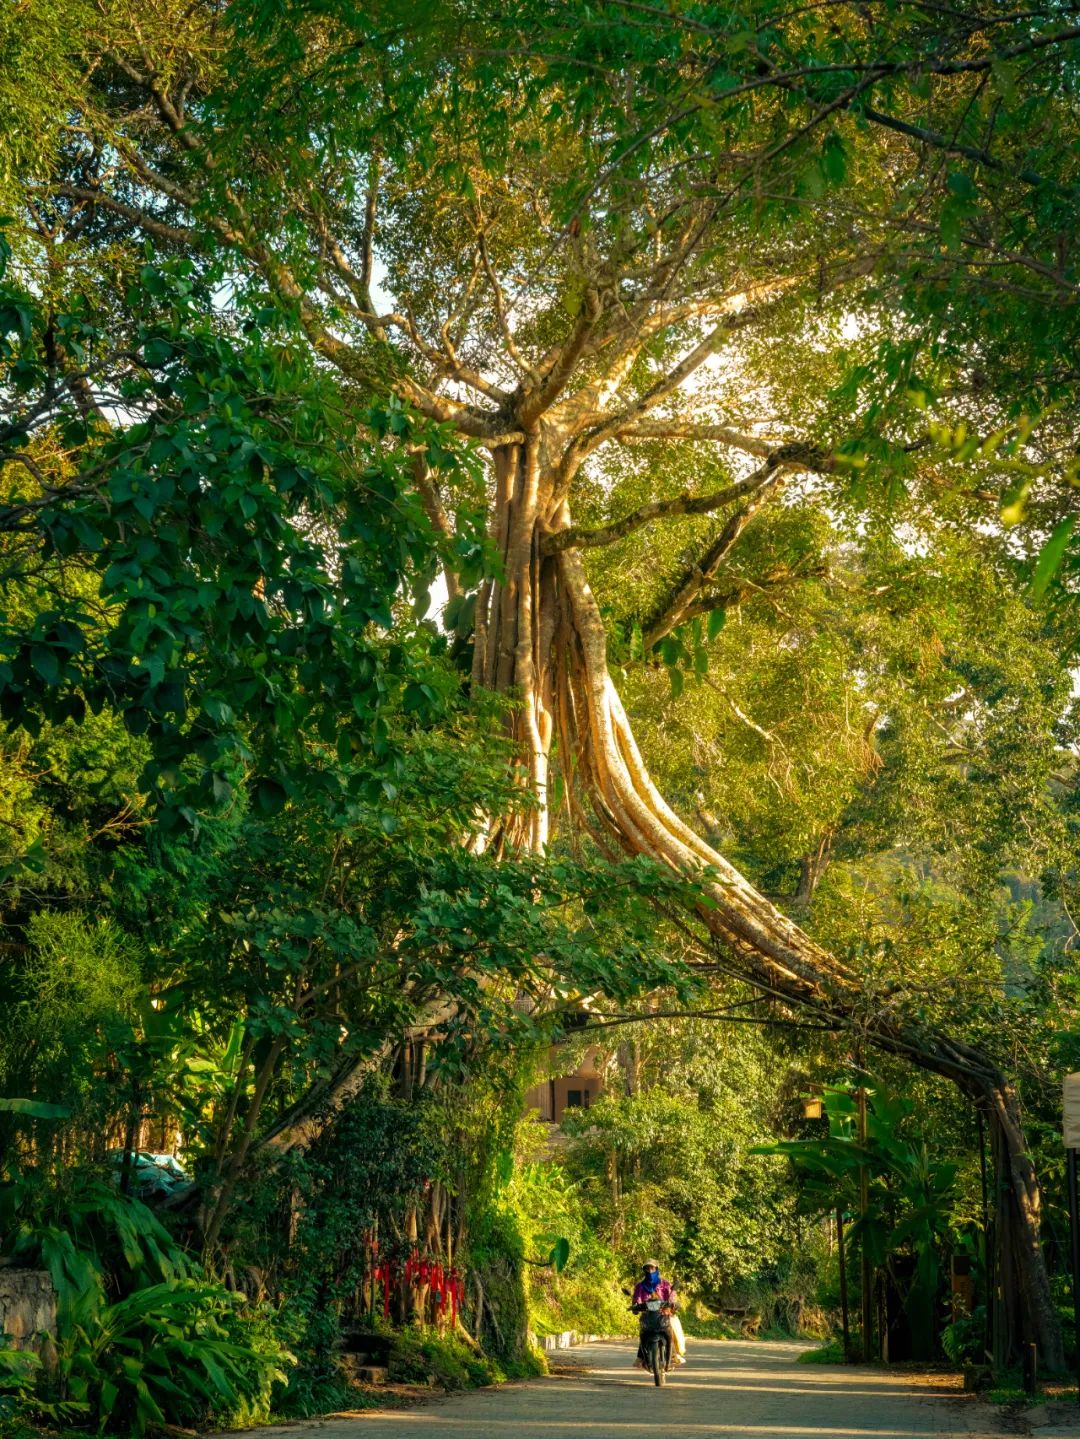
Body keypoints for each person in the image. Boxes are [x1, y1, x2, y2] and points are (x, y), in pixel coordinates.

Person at [630, 1261, 687, 1367]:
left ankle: (676, 1354)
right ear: (644, 1271)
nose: (650, 1271)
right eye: (647, 1269)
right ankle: (640, 1356)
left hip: (664, 1313)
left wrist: (672, 1303)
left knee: (674, 1327)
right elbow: (636, 1299)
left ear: (656, 1269)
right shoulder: (640, 1286)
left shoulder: (664, 1284)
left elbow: (672, 1295)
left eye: (652, 1268)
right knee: (644, 1331)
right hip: (648, 1315)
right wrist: (635, 1306)